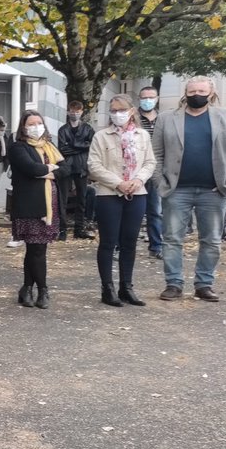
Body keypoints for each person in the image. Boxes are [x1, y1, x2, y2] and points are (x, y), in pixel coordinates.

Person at [151, 75, 226, 303]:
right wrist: (160, 182)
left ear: (211, 93)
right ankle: (174, 283)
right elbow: (156, 154)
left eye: (201, 91)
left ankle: (204, 284)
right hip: (176, 190)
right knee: (172, 239)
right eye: (191, 91)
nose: (195, 95)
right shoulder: (166, 118)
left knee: (211, 240)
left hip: (214, 190)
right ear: (185, 93)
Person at [87, 94, 156, 307]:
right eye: (113, 110)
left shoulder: (142, 136)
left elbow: (150, 162)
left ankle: (126, 286)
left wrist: (138, 179)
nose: (117, 114)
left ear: (131, 111)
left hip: (137, 193)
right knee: (108, 242)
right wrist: (118, 182)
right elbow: (94, 165)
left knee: (129, 242)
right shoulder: (102, 136)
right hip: (109, 194)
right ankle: (107, 287)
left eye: (121, 110)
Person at [11, 111, 63, 309]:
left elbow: (65, 168)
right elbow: (31, 168)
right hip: (30, 205)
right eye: (31, 123)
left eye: (39, 123)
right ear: (23, 127)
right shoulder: (18, 147)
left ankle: (26, 289)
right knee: (37, 248)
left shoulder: (49, 146)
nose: (36, 127)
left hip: (51, 205)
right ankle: (42, 289)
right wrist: (50, 170)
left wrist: (49, 171)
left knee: (37, 249)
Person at [56, 100, 95, 240]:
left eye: (77, 111)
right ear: (68, 112)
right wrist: (81, 146)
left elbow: (92, 145)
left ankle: (79, 229)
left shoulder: (88, 128)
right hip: (66, 167)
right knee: (63, 199)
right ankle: (62, 230)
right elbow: (62, 149)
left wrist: (72, 144)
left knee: (82, 199)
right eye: (72, 111)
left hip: (81, 167)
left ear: (82, 112)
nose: (75, 114)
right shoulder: (62, 129)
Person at [137, 86, 164, 258]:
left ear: (157, 98)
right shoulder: (134, 118)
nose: (147, 100)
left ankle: (156, 246)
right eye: (144, 97)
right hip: (136, 170)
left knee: (155, 210)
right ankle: (122, 246)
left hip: (157, 170)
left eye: (151, 97)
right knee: (132, 211)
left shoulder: (164, 119)